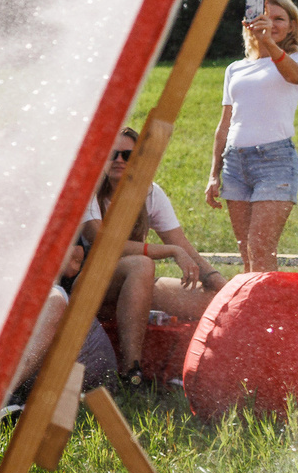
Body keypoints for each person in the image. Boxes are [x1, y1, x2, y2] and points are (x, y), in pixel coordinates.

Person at [89, 125, 224, 375]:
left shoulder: (150, 192)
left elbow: (183, 245)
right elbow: (102, 244)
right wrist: (168, 251)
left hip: (133, 287)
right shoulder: (89, 188)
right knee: (141, 264)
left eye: (127, 155)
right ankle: (132, 371)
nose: (119, 160)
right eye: (112, 154)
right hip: (86, 288)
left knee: (212, 302)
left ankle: (214, 372)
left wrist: (219, 283)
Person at [206, 0, 298, 273]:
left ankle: (271, 315)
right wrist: (213, 173)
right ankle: (251, 314)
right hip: (235, 163)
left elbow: (295, 76)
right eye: (264, 17)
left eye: (279, 19)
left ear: (292, 25)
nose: (272, 24)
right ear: (248, 23)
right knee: (246, 254)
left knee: (261, 248)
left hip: (274, 160)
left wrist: (267, 42)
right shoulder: (236, 68)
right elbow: (225, 123)